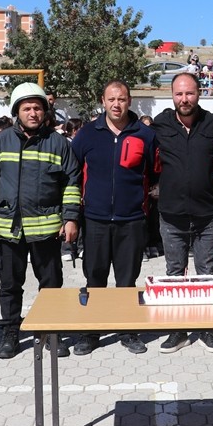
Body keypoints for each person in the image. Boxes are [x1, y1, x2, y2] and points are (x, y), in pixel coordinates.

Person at [0, 82, 80, 359]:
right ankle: (10, 332)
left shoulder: (58, 143)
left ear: (45, 111)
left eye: (37, 108)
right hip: (9, 230)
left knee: (51, 285)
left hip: (46, 231)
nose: (33, 113)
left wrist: (70, 218)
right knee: (10, 286)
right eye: (27, 108)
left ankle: (52, 333)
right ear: (17, 112)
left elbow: (71, 183)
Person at [69, 80, 159, 355]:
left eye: (121, 99)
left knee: (127, 279)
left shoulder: (145, 135)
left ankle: (127, 330)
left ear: (129, 101)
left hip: (131, 220)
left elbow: (153, 175)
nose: (116, 104)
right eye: (111, 99)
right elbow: (72, 172)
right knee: (94, 277)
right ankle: (90, 331)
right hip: (95, 219)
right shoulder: (87, 134)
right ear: (103, 101)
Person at [152, 71, 213, 353]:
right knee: (174, 274)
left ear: (199, 94)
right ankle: (177, 331)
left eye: (189, 93)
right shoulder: (161, 123)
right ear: (172, 95)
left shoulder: (212, 122)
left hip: (207, 214)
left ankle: (206, 329)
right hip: (172, 213)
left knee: (207, 275)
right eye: (179, 93)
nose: (184, 99)